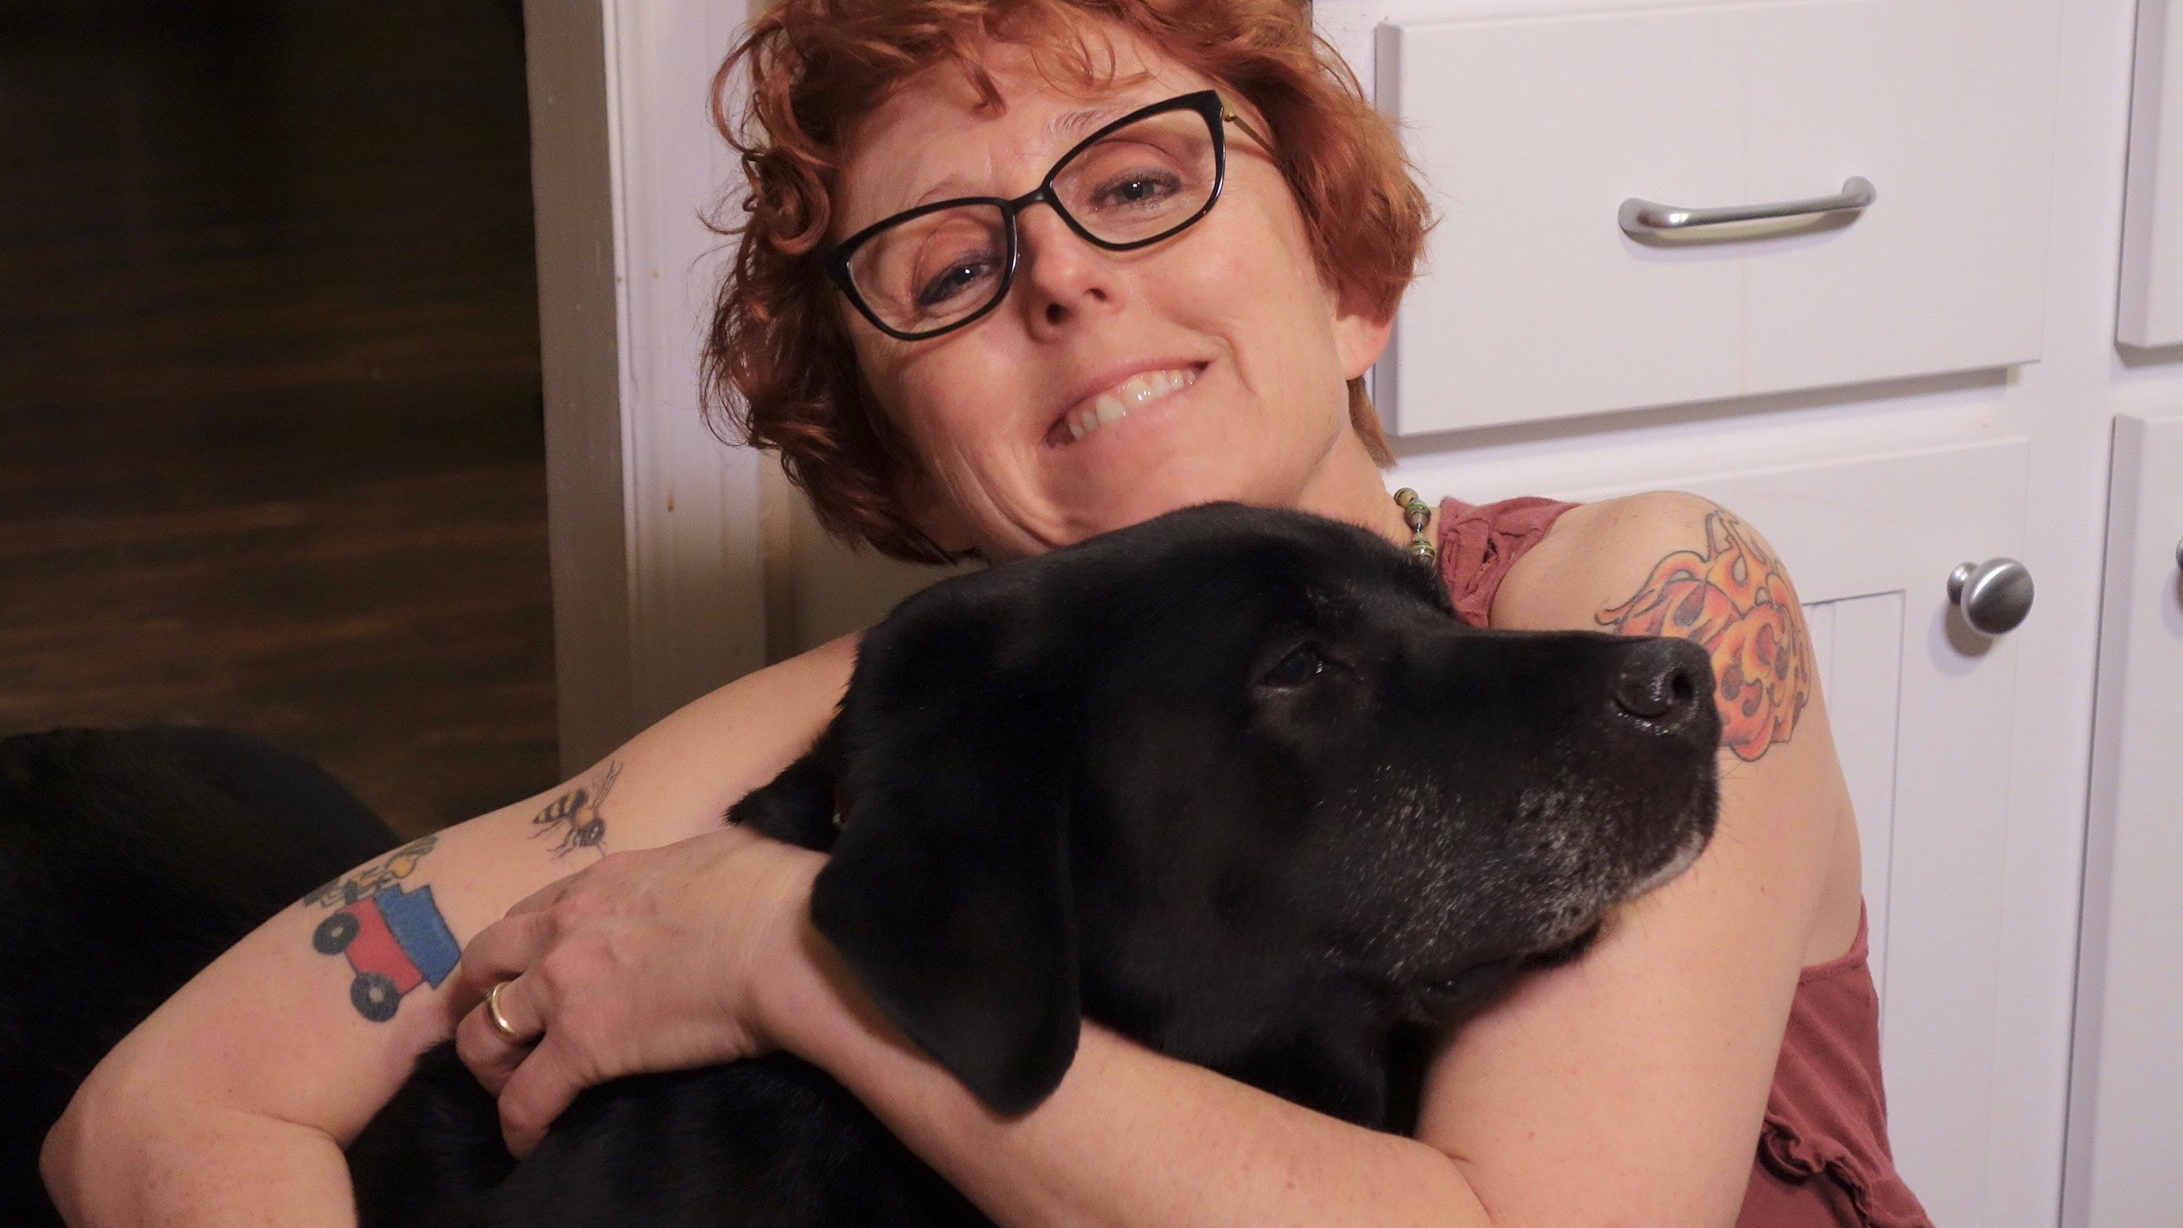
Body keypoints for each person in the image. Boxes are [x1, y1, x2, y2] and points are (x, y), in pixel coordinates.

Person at [40, 1, 1925, 1225]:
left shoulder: (1640, 603)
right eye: (949, 265)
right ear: (904, 470)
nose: (1065, 285)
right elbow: (162, 1118)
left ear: (1343, 274)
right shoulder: (882, 715)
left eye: (1136, 178)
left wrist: (799, 954)